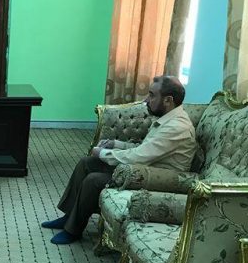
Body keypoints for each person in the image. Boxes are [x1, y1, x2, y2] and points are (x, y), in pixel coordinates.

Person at [43, 75, 197, 245]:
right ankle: (68, 216)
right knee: (86, 163)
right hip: (144, 167)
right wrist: (115, 144)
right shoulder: (168, 119)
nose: (146, 100)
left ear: (168, 100)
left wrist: (102, 153)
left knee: (94, 181)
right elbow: (145, 149)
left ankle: (73, 230)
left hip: (157, 178)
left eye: (152, 95)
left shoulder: (176, 127)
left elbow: (139, 156)